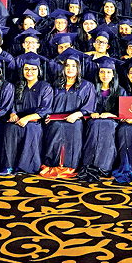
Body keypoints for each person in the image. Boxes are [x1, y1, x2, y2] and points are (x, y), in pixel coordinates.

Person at [39, 50, 94, 178]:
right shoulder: (56, 84)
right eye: (67, 65)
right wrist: (48, 115)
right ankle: (52, 165)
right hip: (55, 120)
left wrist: (78, 114)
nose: (70, 69)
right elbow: (49, 104)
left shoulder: (87, 86)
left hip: (75, 120)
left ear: (78, 69)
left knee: (72, 127)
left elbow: (89, 106)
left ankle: (69, 166)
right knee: (55, 127)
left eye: (74, 66)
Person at [0, 54, 51, 175]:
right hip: (19, 118)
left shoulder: (45, 87)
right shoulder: (18, 86)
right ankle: (8, 165)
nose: (29, 72)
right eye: (26, 69)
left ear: (39, 71)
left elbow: (45, 110)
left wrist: (28, 118)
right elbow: (12, 104)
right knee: (10, 128)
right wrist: (13, 114)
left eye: (33, 69)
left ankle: (26, 167)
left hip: (35, 121)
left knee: (30, 129)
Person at [78, 56, 121, 181]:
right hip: (94, 121)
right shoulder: (91, 89)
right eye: (102, 72)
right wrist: (92, 113)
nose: (105, 75)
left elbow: (123, 113)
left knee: (106, 125)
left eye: (108, 72)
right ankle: (88, 165)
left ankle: (104, 166)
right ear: (98, 73)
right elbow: (87, 107)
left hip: (112, 122)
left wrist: (111, 115)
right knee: (95, 124)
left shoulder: (120, 91)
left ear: (113, 75)